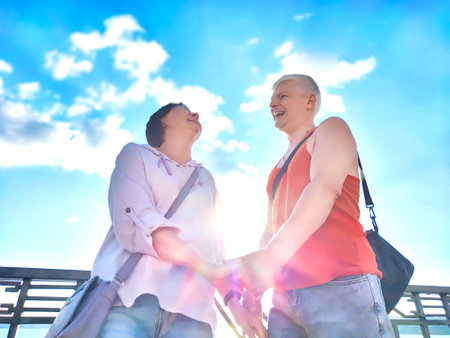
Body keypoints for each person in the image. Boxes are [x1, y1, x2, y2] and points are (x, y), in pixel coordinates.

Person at [233, 75, 395, 337]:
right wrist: (254, 291)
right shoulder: (274, 171)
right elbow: (269, 232)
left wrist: (271, 258)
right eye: (271, 99)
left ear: (309, 101)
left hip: (341, 284)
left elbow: (324, 189)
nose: (272, 103)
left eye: (282, 96)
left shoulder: (331, 129)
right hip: (284, 299)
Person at [92, 102, 266, 337]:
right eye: (183, 110)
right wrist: (213, 269)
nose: (195, 113)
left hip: (194, 314)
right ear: (163, 123)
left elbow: (214, 251)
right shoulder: (135, 154)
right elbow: (141, 224)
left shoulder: (206, 179)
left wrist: (236, 308)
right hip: (131, 299)